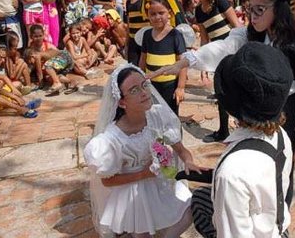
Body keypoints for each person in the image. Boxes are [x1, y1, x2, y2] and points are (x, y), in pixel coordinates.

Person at [150, 0, 295, 206]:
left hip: (285, 113)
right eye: (250, 9)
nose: (253, 16)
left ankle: (279, 219)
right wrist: (186, 61)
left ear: (278, 8)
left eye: (260, 9)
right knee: (252, 163)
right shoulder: (247, 35)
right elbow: (221, 47)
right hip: (254, 111)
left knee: (280, 169)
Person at [190, 42, 295, 238]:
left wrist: (221, 178)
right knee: (201, 198)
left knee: (201, 203)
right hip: (276, 228)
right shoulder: (281, 135)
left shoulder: (232, 172)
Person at [83, 63, 204, 237]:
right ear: (122, 102)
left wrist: (189, 161)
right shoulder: (111, 139)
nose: (144, 93)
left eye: (144, 85)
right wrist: (144, 174)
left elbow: (181, 150)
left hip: (162, 182)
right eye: (133, 90)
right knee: (143, 232)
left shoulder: (158, 115)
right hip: (133, 194)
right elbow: (107, 181)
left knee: (191, 207)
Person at [188, 0, 242, 143]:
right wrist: (203, 63)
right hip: (217, 56)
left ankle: (244, 128)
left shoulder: (220, 1)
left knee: (237, 91)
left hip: (233, 52)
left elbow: (237, 27)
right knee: (220, 92)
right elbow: (204, 39)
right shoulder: (199, 11)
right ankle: (223, 130)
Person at [139, 0, 187, 115]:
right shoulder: (147, 35)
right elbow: (143, 59)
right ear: (148, 16)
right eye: (153, 14)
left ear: (169, 13)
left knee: (171, 117)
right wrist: (140, 79)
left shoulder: (175, 35)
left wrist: (180, 87)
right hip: (152, 85)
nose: (157, 17)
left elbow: (183, 62)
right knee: (154, 115)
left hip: (169, 85)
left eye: (161, 13)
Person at [123, 0, 150, 65]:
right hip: (133, 43)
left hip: (146, 42)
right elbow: (129, 24)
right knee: (134, 69)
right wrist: (127, 44)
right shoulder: (128, 1)